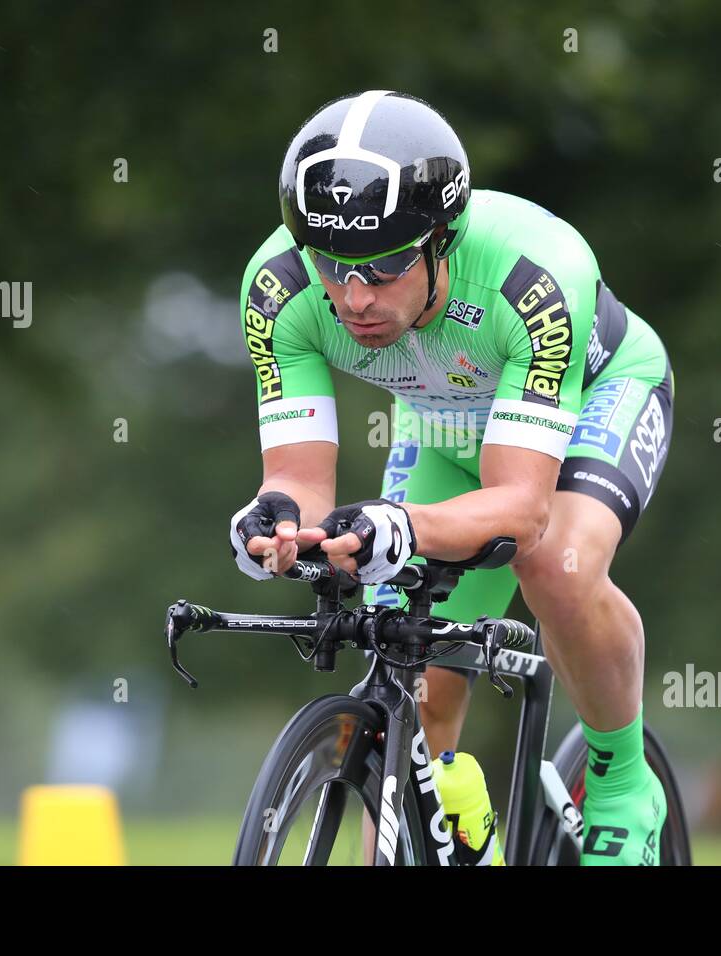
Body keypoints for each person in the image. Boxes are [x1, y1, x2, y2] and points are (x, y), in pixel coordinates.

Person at [228, 91, 673, 865]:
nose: (354, 297)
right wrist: (276, 521)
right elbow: (299, 478)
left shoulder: (535, 276)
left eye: (387, 266)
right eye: (333, 266)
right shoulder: (279, 289)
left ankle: (621, 780)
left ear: (444, 238)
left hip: (596, 403)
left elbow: (522, 510)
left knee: (555, 566)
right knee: (404, 639)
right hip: (444, 431)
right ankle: (446, 820)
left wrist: (403, 525)